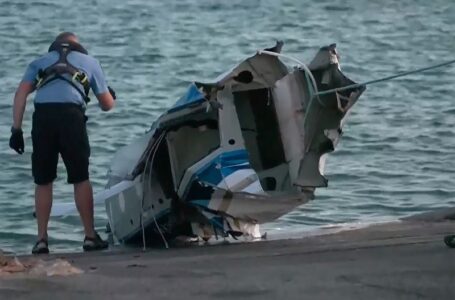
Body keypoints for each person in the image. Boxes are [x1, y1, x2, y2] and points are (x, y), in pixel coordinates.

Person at [9, 32, 116, 254]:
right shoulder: (90, 62)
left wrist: (16, 130)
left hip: (43, 118)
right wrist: (110, 95)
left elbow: (20, 94)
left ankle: (41, 240)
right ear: (79, 47)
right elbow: (107, 105)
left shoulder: (39, 62)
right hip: (71, 117)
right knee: (80, 177)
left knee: (43, 180)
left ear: (54, 46)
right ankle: (89, 236)